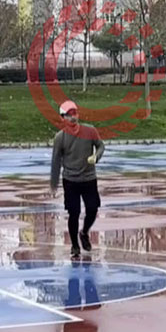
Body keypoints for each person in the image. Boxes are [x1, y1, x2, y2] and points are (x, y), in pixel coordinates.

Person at [49, 99, 105, 259]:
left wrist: (96, 156)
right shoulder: (60, 138)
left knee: (93, 209)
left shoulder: (90, 131)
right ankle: (74, 245)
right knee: (74, 213)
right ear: (62, 118)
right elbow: (56, 161)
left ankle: (84, 232)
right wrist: (53, 183)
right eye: (69, 115)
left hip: (89, 178)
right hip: (70, 180)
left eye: (75, 114)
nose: (73, 117)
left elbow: (101, 145)